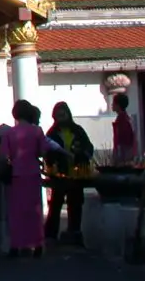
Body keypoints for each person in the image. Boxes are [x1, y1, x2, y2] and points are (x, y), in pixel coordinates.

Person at [0, 100, 52, 258]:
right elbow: (43, 151)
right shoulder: (37, 131)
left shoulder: (9, 133)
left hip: (17, 174)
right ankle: (37, 244)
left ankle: (17, 244)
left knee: (17, 211)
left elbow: (3, 155)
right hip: (33, 173)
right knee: (34, 211)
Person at [43, 101, 94, 245]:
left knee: (76, 204)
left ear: (68, 114)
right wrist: (52, 164)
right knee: (56, 204)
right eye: (58, 115)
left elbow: (89, 147)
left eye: (63, 114)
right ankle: (51, 234)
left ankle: (75, 232)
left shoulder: (78, 130)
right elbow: (48, 151)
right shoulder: (52, 133)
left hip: (77, 174)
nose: (61, 117)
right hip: (59, 174)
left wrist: (82, 153)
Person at [111, 94, 137, 164]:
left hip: (123, 158)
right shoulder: (125, 119)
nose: (112, 105)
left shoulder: (122, 120)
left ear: (118, 105)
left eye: (113, 103)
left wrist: (117, 155)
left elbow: (122, 141)